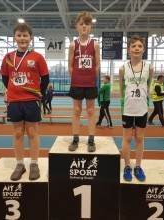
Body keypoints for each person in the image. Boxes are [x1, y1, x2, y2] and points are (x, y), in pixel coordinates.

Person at [0, 22, 49, 181]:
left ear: (30, 38)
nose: (22, 38)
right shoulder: (8, 58)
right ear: (15, 37)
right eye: (19, 35)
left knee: (33, 132)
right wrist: (14, 90)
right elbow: (5, 78)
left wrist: (38, 94)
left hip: (31, 100)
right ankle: (20, 164)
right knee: (18, 132)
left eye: (25, 35)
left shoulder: (37, 57)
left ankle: (34, 163)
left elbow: (45, 78)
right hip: (14, 101)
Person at [119, 35, 153, 182]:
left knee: (139, 138)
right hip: (127, 108)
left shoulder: (149, 67)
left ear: (143, 49)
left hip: (142, 109)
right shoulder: (123, 68)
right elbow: (121, 90)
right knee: (127, 137)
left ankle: (138, 166)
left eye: (139, 46)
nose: (136, 48)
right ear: (128, 50)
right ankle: (127, 166)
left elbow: (148, 85)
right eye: (133, 46)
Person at [68, 11, 100, 152]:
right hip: (77, 83)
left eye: (87, 24)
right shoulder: (72, 45)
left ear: (91, 27)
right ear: (77, 27)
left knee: (91, 111)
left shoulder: (95, 44)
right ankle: (75, 138)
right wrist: (75, 77)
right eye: (81, 24)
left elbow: (98, 64)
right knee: (76, 110)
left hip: (91, 83)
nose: (84, 27)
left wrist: (92, 77)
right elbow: (70, 65)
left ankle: (91, 140)